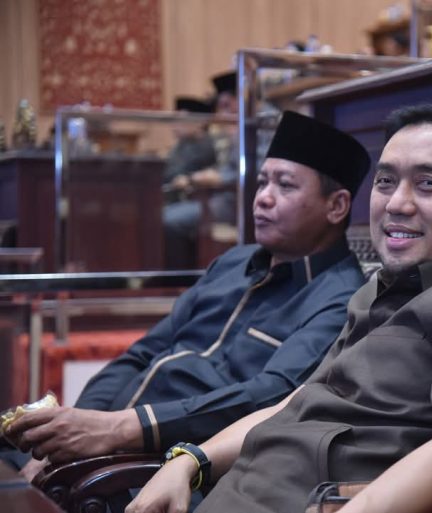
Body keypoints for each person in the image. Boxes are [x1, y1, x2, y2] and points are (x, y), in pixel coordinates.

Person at [126, 104, 432, 513]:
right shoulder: (379, 288)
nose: (397, 203)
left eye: (427, 184)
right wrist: (189, 461)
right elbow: (297, 402)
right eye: (386, 182)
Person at [4, 111, 372, 482]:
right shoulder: (233, 263)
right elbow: (144, 352)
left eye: (286, 186)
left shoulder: (340, 298)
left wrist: (121, 429)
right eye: (262, 182)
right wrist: (77, 428)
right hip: (108, 440)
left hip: (174, 467)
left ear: (336, 206)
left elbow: (269, 396)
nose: (263, 198)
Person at [163, 72, 239, 269]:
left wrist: (210, 177)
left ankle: (177, 277)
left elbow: (248, 172)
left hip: (231, 203)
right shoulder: (231, 134)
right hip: (216, 198)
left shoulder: (249, 129)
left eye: (225, 106)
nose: (221, 115)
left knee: (168, 219)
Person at [163, 96, 217, 205]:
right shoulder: (182, 144)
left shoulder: (206, 145)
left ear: (200, 122)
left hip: (193, 200)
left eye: (181, 120)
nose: (174, 126)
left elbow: (178, 173)